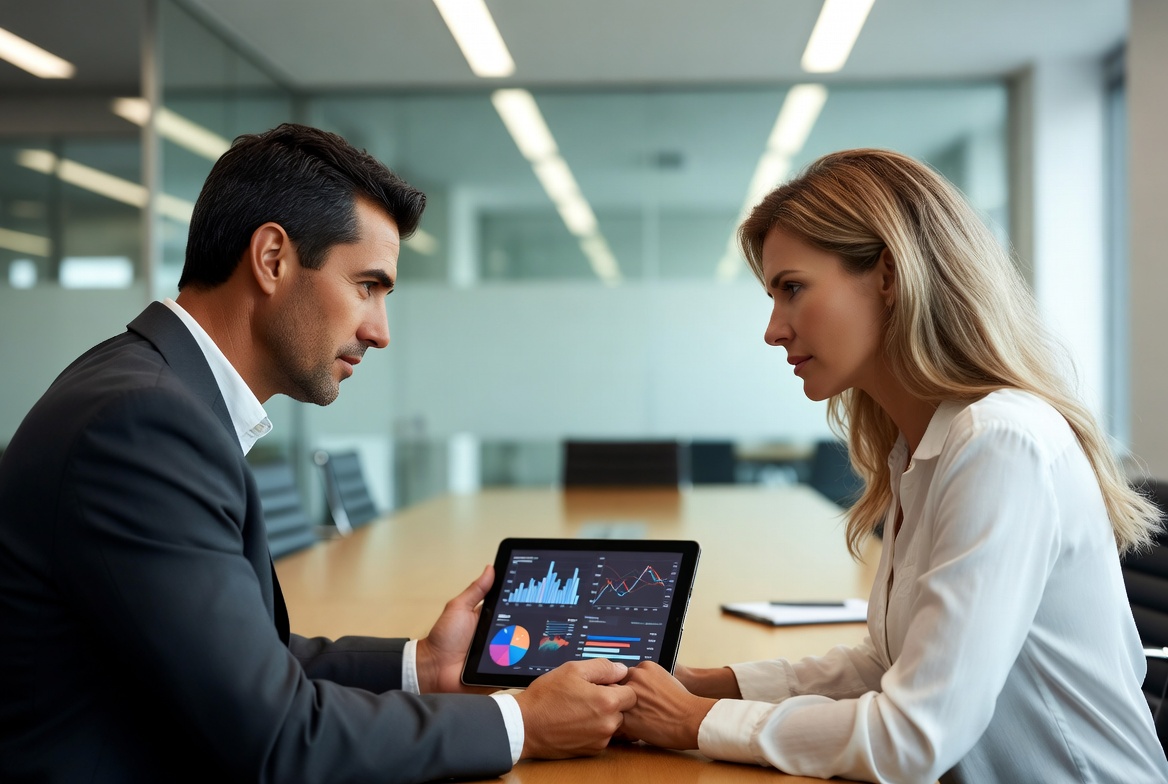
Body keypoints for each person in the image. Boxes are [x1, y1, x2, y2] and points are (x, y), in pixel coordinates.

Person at [0, 123, 634, 783]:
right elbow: (279, 736)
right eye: (367, 286)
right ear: (272, 258)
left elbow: (249, 663)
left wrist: (426, 667)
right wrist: (521, 723)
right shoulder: (142, 424)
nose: (379, 332)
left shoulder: (154, 392)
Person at [618, 148, 1168, 782]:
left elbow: (913, 736)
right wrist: (698, 684)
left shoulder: (999, 441)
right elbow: (885, 667)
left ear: (888, 273)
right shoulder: (924, 445)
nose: (773, 330)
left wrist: (692, 722)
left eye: (792, 289)